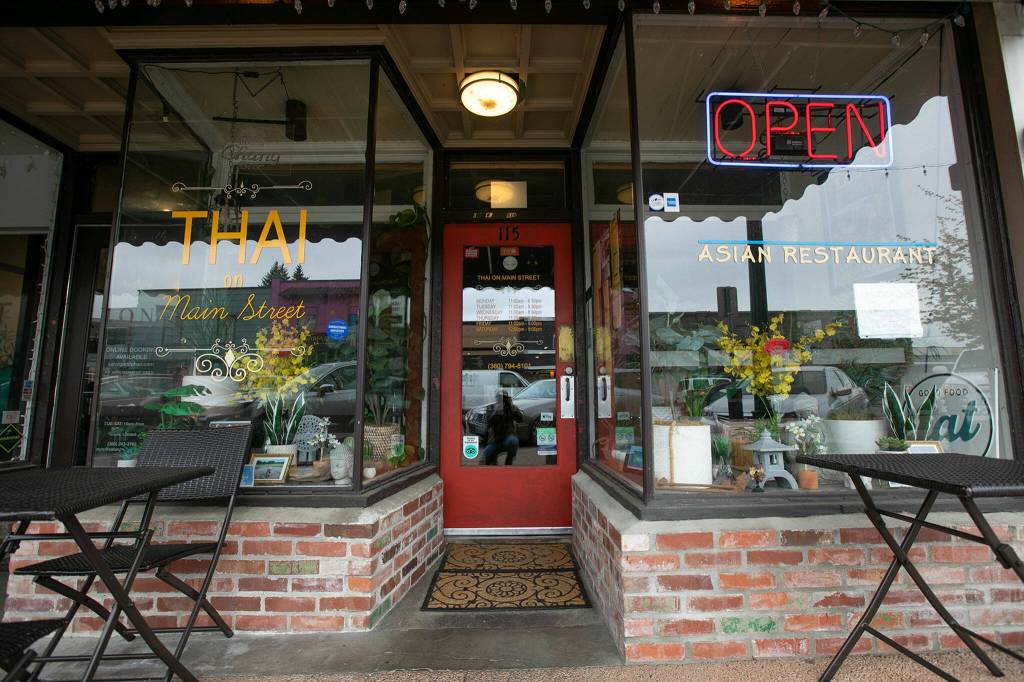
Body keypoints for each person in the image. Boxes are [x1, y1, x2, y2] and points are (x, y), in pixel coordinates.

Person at [482, 390, 523, 465]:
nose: (501, 400)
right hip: (494, 441)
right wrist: (496, 412)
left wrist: (512, 408)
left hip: (508, 438)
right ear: (496, 398)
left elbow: (520, 419)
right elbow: (488, 424)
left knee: (513, 441)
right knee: (483, 460)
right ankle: (493, 460)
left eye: (503, 398)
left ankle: (509, 460)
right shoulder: (491, 408)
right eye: (499, 398)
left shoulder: (511, 407)